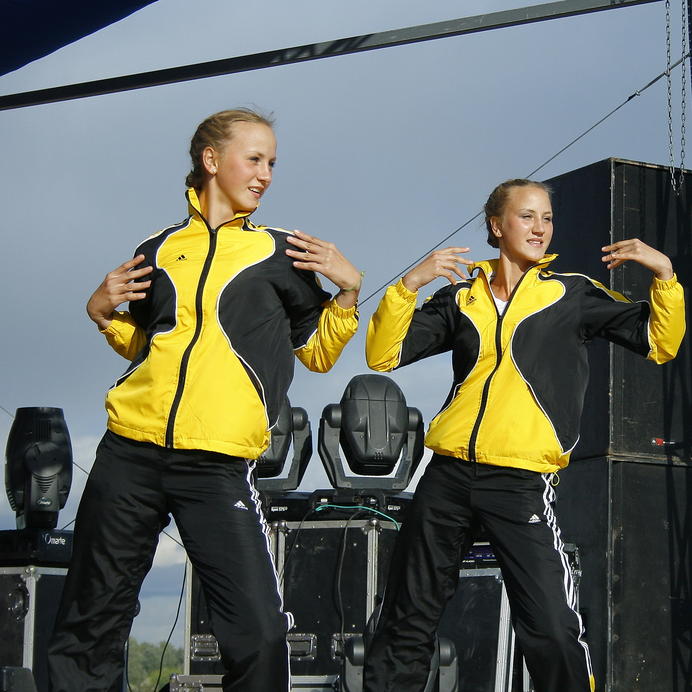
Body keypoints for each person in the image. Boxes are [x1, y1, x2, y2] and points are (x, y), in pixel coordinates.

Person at [48, 108, 362, 692]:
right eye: (255, 159)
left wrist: (347, 292)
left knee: (259, 634)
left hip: (215, 463)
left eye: (272, 163)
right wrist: (102, 314)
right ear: (211, 160)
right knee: (91, 620)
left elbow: (317, 353)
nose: (266, 174)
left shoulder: (282, 254)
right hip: (129, 452)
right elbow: (149, 346)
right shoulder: (158, 248)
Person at [362, 178, 685, 692]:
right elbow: (383, 353)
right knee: (407, 617)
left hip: (519, 481)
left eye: (547, 218)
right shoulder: (461, 297)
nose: (540, 228)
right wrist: (408, 285)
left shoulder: (570, 294)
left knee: (552, 628)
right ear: (496, 226)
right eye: (527, 216)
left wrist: (665, 277)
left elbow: (659, 342)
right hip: (447, 477)